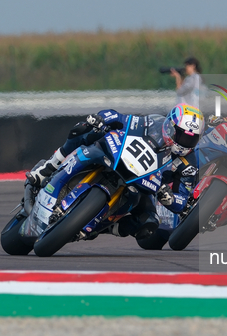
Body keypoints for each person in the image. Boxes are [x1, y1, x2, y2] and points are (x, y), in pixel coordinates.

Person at [26, 103, 205, 241]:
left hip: (145, 185)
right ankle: (50, 165)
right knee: (86, 131)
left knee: (149, 224)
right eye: (181, 135)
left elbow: (183, 199)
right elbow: (120, 117)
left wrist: (171, 198)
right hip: (120, 157)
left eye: (192, 139)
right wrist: (100, 119)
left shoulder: (189, 163)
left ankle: (103, 227)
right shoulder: (153, 123)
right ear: (171, 127)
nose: (184, 142)